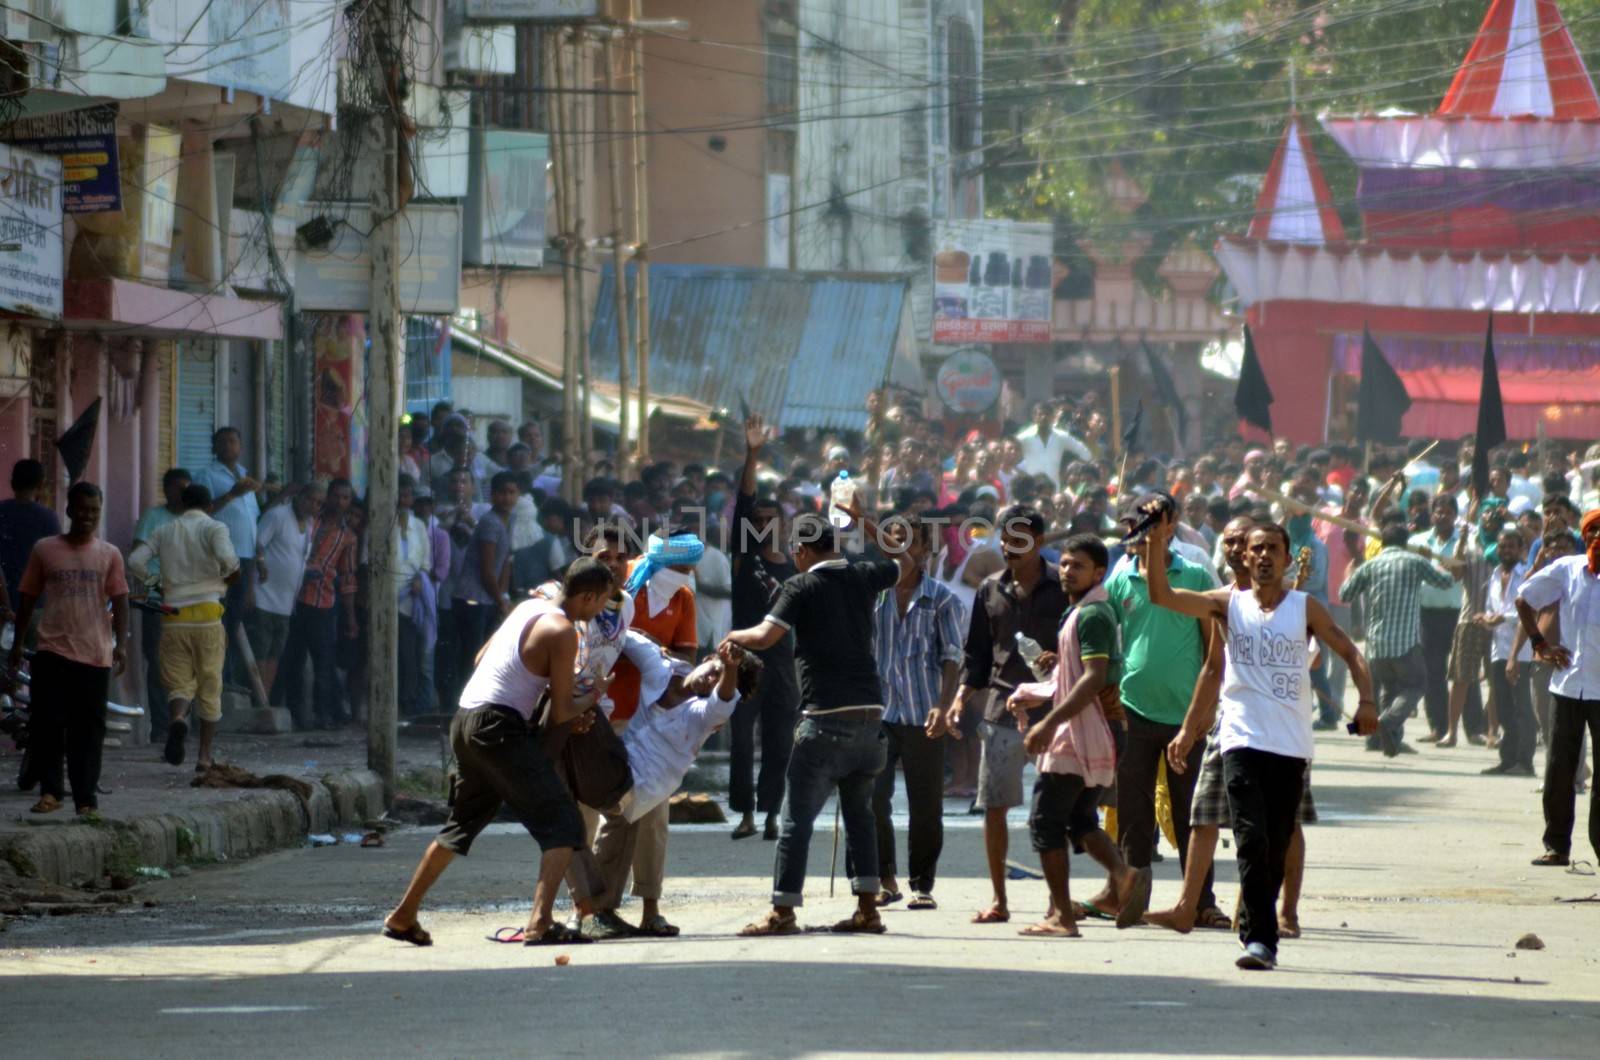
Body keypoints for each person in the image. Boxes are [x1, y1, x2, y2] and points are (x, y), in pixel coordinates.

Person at [1142, 516, 1378, 970]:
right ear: (1244, 559)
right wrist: (1155, 542)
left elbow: (1351, 651)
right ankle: (1260, 940)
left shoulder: (1305, 608)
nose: (1265, 555)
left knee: (1275, 841)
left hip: (1290, 746)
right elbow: (1163, 596)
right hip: (1240, 738)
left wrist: (1366, 701)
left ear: (1288, 559)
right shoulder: (1226, 605)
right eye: (1257, 549)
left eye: (1274, 548)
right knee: (1250, 837)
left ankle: (1267, 918)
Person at [382, 558, 615, 948]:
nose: (598, 613)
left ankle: (403, 915)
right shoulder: (562, 631)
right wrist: (593, 694)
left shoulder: (527, 608)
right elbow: (561, 711)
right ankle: (540, 923)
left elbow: (481, 660)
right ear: (588, 596)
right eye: (600, 603)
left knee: (460, 827)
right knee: (563, 822)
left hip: (467, 719)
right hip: (498, 728)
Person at [726, 509, 907, 937]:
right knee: (860, 817)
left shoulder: (800, 584)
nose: (794, 557)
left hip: (824, 719)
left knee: (796, 822)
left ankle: (783, 911)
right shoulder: (864, 576)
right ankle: (868, 908)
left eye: (795, 550)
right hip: (870, 718)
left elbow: (766, 636)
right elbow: (906, 560)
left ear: (804, 551)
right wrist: (864, 517)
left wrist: (733, 637)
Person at [1006, 533, 1151, 937]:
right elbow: (1079, 673)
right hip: (1094, 728)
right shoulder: (1081, 613)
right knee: (1077, 817)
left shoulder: (1092, 615)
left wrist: (1047, 723)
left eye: (1078, 566)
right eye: (1065, 564)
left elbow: (1094, 678)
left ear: (1099, 572)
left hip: (1086, 730)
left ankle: (1062, 916)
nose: (1067, 572)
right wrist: (1047, 680)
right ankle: (1123, 877)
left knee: (1046, 819)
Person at [949, 504, 1069, 926]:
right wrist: (962, 697)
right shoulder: (989, 589)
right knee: (995, 805)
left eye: (1018, 538)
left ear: (1038, 541)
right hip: (1001, 708)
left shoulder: (1063, 584)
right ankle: (999, 899)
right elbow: (977, 654)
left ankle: (1060, 903)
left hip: (1055, 710)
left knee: (1055, 808)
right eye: (1004, 537)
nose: (1008, 545)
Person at [580, 528, 703, 939]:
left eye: (689, 567)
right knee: (588, 814)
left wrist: (650, 648)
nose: (685, 574)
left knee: (652, 817)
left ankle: (651, 907)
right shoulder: (606, 592)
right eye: (680, 566)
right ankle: (585, 907)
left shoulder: (682, 598)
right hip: (597, 716)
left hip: (647, 722)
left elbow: (687, 657)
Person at [1099, 493, 1215, 920]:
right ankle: (1133, 896)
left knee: (1191, 813)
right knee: (1133, 812)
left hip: (1186, 715)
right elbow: (1108, 644)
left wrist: (1206, 710)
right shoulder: (1119, 578)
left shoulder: (1197, 575)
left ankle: (1200, 903)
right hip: (1133, 710)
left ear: (1172, 525)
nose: (1142, 528)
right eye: (1135, 520)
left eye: (1151, 520)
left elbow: (1212, 648)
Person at [860, 516, 964, 910]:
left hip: (924, 714)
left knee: (926, 806)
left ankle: (922, 884)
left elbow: (952, 657)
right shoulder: (873, 595)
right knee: (873, 800)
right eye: (892, 538)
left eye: (907, 540)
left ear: (924, 550)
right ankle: (885, 878)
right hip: (878, 715)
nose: (898, 545)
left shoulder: (942, 599)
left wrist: (943, 704)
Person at [8, 482, 128, 816]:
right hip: (52, 650)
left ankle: (85, 799)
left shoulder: (110, 554)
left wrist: (122, 643)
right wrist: (18, 643)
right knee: (48, 725)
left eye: (94, 510)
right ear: (69, 510)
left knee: (88, 731)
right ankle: (51, 792)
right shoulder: (45, 549)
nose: (88, 516)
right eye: (82, 509)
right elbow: (28, 598)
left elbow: (120, 599)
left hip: (95, 653)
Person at [127, 484, 240, 770]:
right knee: (209, 685)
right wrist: (228, 579)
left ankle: (177, 720)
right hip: (208, 616)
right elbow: (228, 562)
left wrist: (157, 585)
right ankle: (203, 756)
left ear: (182, 504)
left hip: (174, 616)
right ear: (209, 506)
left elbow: (135, 561)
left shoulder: (165, 530)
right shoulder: (215, 528)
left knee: (179, 684)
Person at [727, 416, 800, 842]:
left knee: (779, 743)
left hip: (784, 663)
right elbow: (744, 498)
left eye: (774, 518)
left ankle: (773, 813)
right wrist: (753, 453)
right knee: (740, 740)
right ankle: (746, 813)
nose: (766, 523)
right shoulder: (743, 558)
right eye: (760, 518)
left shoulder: (795, 567)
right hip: (744, 661)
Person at [1517, 508, 1600, 868]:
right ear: (1584, 536)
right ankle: (1556, 845)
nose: (1598, 537)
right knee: (1558, 768)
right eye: (1593, 530)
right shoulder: (1568, 569)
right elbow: (1524, 598)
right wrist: (1539, 644)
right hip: (1567, 684)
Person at [1338, 517, 1456, 757]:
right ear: (1406, 542)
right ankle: (1386, 724)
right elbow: (1444, 582)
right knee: (1416, 684)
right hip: (1404, 643)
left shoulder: (1372, 564)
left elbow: (1345, 594)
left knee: (1388, 690)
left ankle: (1385, 739)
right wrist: (1444, 564)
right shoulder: (1414, 561)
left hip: (1376, 644)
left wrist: (1349, 573)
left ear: (1382, 543)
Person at [280, 479, 358, 730]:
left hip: (323, 602)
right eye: (335, 496)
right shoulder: (312, 519)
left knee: (323, 663)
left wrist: (350, 617)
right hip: (293, 597)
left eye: (345, 498)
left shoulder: (348, 536)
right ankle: (296, 713)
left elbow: (347, 579)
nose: (339, 502)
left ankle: (322, 714)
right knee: (293, 659)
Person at [192, 428, 261, 689]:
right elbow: (201, 512)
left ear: (240, 446)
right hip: (219, 557)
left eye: (233, 440)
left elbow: (252, 522)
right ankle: (214, 676)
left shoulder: (246, 477)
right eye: (222, 442)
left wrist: (258, 561)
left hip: (244, 557)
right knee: (218, 619)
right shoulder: (207, 475)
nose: (228, 445)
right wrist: (231, 494)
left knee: (234, 619)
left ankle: (227, 676)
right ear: (215, 447)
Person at [131, 467, 191, 742]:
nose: (182, 493)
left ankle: (181, 720)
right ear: (166, 490)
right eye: (177, 487)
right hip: (157, 601)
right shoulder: (153, 518)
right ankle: (161, 725)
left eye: (186, 488)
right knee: (157, 663)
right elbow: (137, 559)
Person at [250, 481, 323, 701]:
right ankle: (258, 700)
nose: (313, 505)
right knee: (261, 651)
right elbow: (257, 543)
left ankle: (265, 700)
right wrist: (261, 565)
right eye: (310, 499)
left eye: (319, 503)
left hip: (285, 603)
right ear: (299, 497)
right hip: (264, 596)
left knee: (275, 654)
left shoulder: (309, 525)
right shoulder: (278, 515)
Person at [453, 471, 520, 679]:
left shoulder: (507, 521)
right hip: (472, 598)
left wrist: (503, 598)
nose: (507, 498)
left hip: (487, 599)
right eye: (502, 493)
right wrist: (501, 602)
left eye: (511, 493)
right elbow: (487, 570)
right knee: (473, 657)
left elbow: (505, 564)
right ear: (493, 495)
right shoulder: (490, 522)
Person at [1481, 528, 1535, 777]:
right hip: (1497, 649)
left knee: (1522, 708)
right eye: (1502, 546)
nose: (1505, 551)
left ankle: (1525, 762)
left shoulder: (1526, 575)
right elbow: (1491, 608)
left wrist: (1502, 617)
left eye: (1511, 546)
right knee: (1502, 707)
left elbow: (1530, 610)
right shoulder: (1493, 575)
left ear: (1521, 549)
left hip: (1521, 652)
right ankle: (1507, 759)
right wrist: (1485, 618)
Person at [391, 475, 434, 717]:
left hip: (413, 597)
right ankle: (396, 704)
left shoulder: (418, 525)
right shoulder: (384, 521)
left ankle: (408, 704)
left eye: (408, 494)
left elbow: (425, 560)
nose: (403, 499)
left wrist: (420, 578)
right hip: (389, 597)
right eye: (400, 493)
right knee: (400, 654)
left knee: (413, 655)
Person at [0, 458, 61, 616]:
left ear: (13, 483)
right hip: (35, 604)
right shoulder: (48, 518)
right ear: (41, 485)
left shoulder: (2, 511)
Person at [1015, 403, 1090, 488]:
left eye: (1047, 414)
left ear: (1052, 417)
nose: (1043, 417)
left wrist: (1074, 471)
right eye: (1040, 414)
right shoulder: (1024, 437)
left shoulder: (1061, 436)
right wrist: (1017, 472)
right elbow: (1009, 453)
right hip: (1031, 489)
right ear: (1034, 417)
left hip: (1054, 489)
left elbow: (1085, 453)